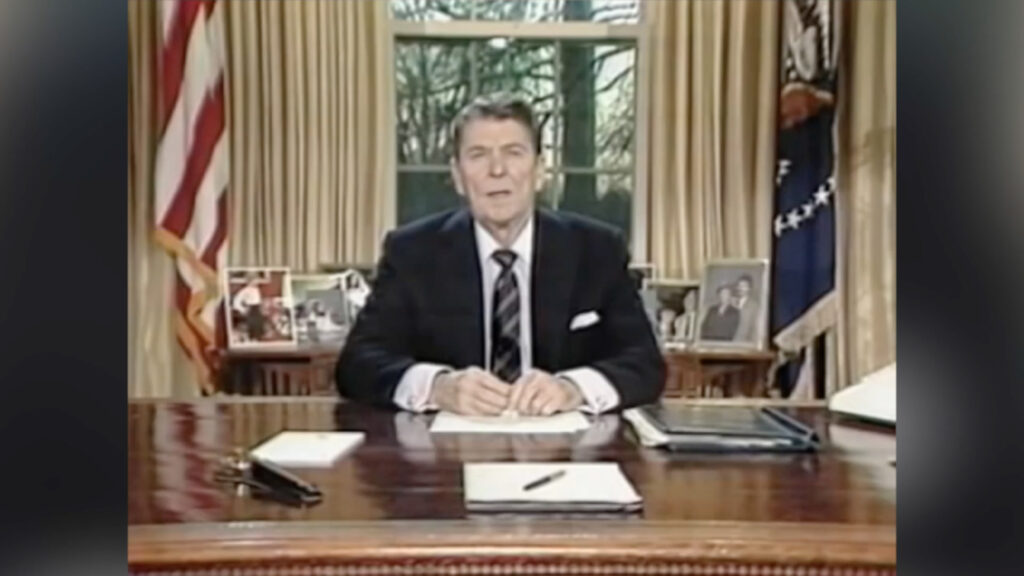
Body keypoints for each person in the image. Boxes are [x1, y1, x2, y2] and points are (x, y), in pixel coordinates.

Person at [336, 93, 665, 416]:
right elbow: (357, 364)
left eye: (513, 153)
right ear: (458, 176)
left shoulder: (598, 250)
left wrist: (573, 389)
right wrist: (437, 387)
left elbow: (645, 364)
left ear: (539, 171)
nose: (497, 170)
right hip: (447, 445)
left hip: (567, 444)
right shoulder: (412, 252)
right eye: (478, 155)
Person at [732, 275, 760, 343]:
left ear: (749, 288)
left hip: (744, 343)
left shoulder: (754, 306)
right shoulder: (732, 302)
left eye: (744, 286)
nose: (740, 288)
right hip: (729, 342)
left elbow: (755, 329)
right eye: (739, 285)